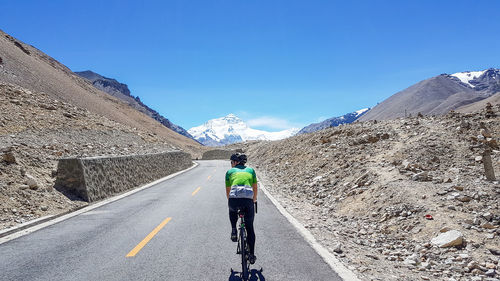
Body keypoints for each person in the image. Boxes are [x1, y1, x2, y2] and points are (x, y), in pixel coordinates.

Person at [225, 153, 258, 264]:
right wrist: (253, 200)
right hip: (248, 201)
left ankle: (234, 230)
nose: (231, 164)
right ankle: (252, 255)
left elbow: (228, 191)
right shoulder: (251, 171)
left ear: (235, 162)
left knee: (232, 210)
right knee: (250, 228)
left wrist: (231, 202)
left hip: (234, 200)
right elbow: (255, 188)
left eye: (231, 162)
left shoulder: (229, 172)